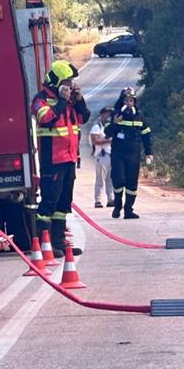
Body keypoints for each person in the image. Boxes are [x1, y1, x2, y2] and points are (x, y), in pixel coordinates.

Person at [33, 60, 89, 255]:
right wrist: (62, 102)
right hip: (53, 160)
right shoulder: (41, 100)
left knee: (63, 204)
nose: (69, 86)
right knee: (49, 202)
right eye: (66, 82)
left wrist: (79, 100)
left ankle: (59, 242)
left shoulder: (69, 100)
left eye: (70, 82)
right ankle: (44, 244)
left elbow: (83, 118)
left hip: (69, 159)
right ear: (56, 82)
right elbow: (46, 118)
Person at [106, 87, 152, 218]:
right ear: (122, 101)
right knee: (119, 179)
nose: (128, 103)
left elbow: (146, 134)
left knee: (132, 182)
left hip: (133, 153)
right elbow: (107, 133)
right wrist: (115, 123)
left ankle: (128, 210)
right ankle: (117, 206)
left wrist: (149, 152)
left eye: (131, 100)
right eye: (126, 100)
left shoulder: (139, 116)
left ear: (134, 102)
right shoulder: (115, 114)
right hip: (118, 153)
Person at [90, 107, 114, 207]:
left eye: (110, 114)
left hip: (111, 154)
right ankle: (98, 200)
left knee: (110, 179)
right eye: (107, 113)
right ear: (102, 114)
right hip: (102, 155)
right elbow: (95, 141)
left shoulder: (111, 127)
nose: (108, 116)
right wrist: (108, 141)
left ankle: (110, 199)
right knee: (100, 179)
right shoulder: (97, 127)